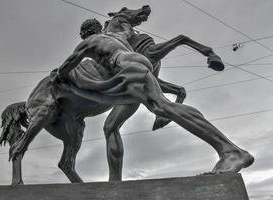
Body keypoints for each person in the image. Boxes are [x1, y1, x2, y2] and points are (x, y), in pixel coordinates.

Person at [52, 18, 254, 174]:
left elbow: (66, 67)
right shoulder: (115, 35)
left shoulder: (88, 43)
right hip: (136, 63)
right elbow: (128, 30)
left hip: (125, 67)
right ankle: (115, 183)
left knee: (162, 107)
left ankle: (231, 151)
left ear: (84, 33)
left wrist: (58, 77)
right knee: (111, 125)